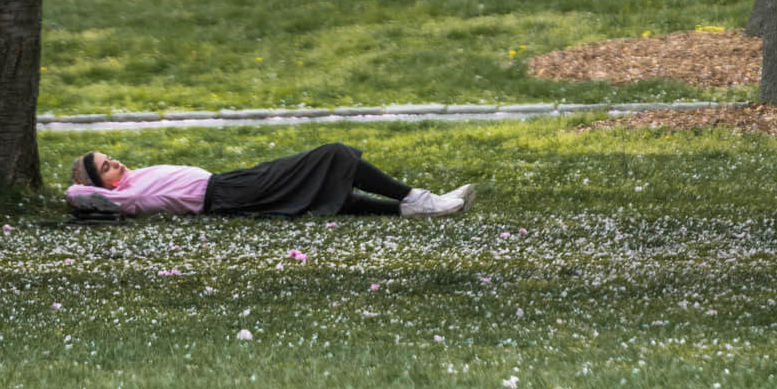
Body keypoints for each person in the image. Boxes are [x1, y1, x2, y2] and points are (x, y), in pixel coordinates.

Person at [65, 141, 474, 219]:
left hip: (230, 184)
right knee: (332, 155)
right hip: (224, 193)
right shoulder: (127, 197)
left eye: (109, 157)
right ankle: (417, 198)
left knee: (319, 193)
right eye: (106, 167)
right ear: (104, 186)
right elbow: (77, 194)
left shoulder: (133, 179)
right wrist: (88, 185)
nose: (115, 163)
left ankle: (413, 207)